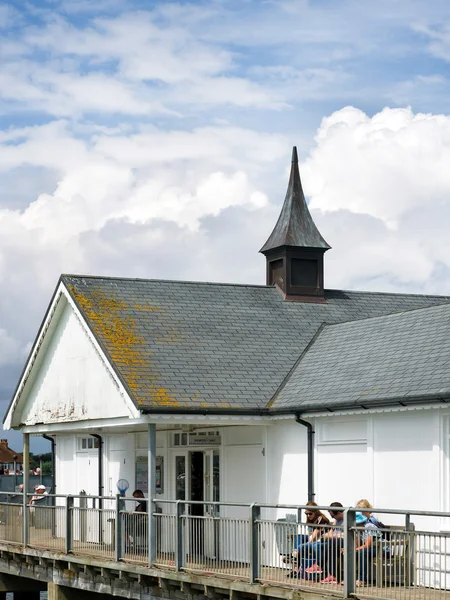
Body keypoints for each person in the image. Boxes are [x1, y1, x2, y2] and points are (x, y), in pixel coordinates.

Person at [289, 501, 330, 577]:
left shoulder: (321, 518)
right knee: (298, 537)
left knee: (301, 547)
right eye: (306, 513)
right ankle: (295, 556)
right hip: (317, 539)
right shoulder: (312, 519)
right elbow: (314, 533)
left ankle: (295, 561)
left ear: (315, 512)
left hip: (322, 540)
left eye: (310, 513)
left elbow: (315, 536)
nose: (308, 515)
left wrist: (305, 544)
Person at [319, 502, 346, 584]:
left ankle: (319, 565)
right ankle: (332, 575)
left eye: (333, 516)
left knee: (331, 543)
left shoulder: (348, 519)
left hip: (347, 542)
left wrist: (335, 535)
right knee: (331, 546)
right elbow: (331, 532)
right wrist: (335, 535)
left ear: (339, 512)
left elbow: (348, 534)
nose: (333, 518)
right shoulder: (336, 521)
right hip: (335, 542)